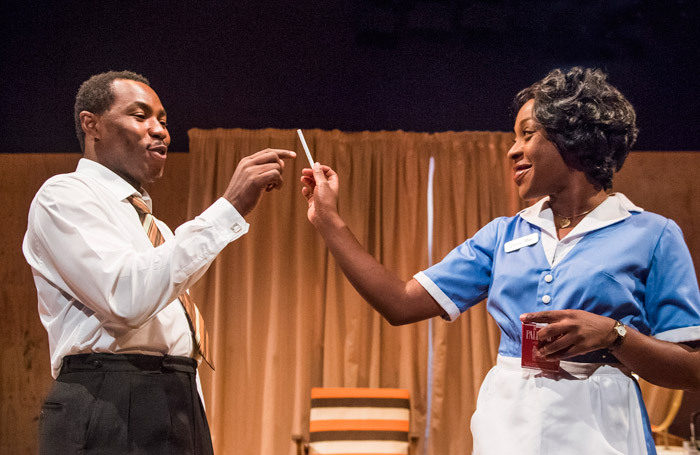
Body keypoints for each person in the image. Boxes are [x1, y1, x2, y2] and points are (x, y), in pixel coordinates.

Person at [300, 67, 700, 454]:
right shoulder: (502, 235)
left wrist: (615, 335)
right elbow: (399, 303)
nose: (512, 150)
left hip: (603, 432)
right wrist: (329, 221)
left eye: (527, 134)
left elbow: (692, 370)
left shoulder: (652, 235)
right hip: (509, 430)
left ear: (573, 140)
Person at [23, 70, 296, 455]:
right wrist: (229, 208)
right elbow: (126, 298)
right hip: (110, 400)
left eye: (164, 121)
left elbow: (171, 334)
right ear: (92, 124)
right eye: (140, 116)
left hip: (173, 397)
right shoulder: (63, 196)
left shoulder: (159, 230)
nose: (160, 131)